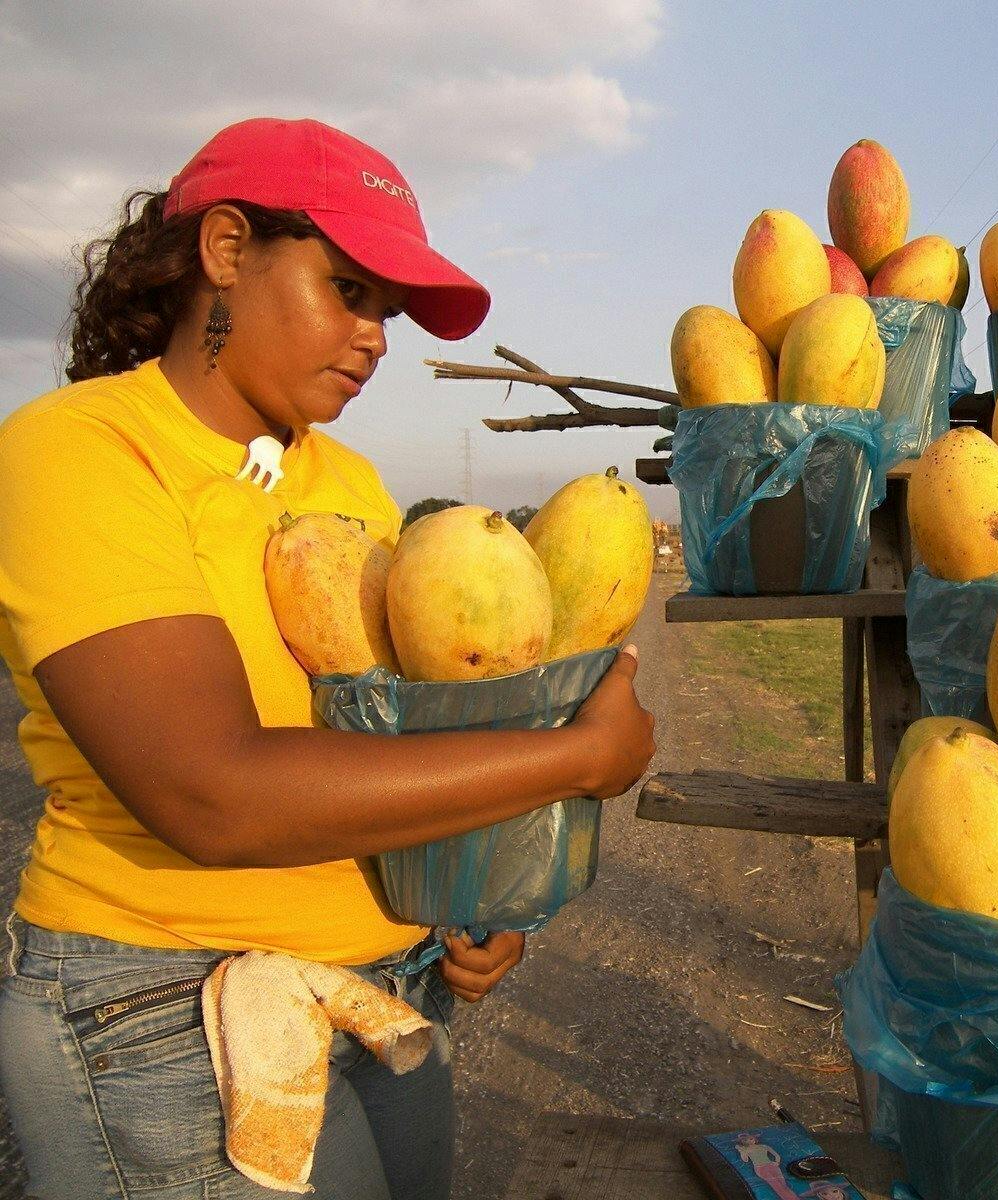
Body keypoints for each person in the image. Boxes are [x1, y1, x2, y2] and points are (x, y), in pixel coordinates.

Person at [0, 117, 656, 1199]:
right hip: (168, 1004)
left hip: (388, 986)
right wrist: (576, 760)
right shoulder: (80, 450)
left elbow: (404, 735)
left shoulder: (348, 484)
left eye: (386, 312)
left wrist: (470, 904)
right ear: (222, 251)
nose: (376, 339)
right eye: (349, 291)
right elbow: (213, 793)